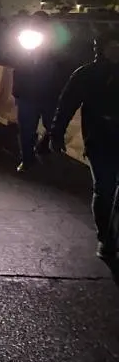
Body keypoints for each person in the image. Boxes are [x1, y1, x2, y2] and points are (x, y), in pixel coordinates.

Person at [48, 30, 119, 260]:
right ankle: (105, 239)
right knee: (105, 190)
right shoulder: (87, 74)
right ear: (102, 48)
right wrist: (56, 134)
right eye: (113, 46)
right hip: (100, 142)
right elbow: (67, 104)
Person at [10, 11, 67, 172]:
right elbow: (11, 57)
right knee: (26, 129)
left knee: (52, 126)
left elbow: (65, 60)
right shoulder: (24, 38)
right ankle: (27, 159)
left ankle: (45, 147)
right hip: (27, 93)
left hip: (50, 93)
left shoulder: (57, 40)